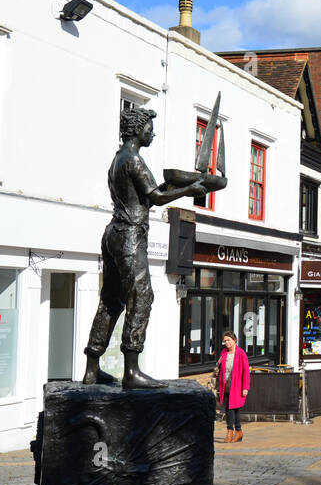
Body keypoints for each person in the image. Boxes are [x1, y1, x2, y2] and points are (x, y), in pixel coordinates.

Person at [83, 105, 226, 389]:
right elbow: (157, 199)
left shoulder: (118, 159)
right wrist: (188, 190)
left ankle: (91, 367)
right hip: (130, 234)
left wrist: (171, 184)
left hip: (113, 231)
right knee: (142, 296)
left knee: (111, 300)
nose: (153, 133)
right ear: (138, 129)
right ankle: (132, 371)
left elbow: (146, 196)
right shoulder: (135, 160)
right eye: (149, 127)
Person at [216, 330, 250, 443]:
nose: (227, 343)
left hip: (236, 386)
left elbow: (246, 371)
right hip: (225, 385)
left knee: (231, 409)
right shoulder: (224, 353)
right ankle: (239, 431)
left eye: (229, 340)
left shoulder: (241, 353)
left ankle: (230, 431)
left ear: (234, 340)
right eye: (225, 341)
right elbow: (220, 369)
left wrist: (245, 387)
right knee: (233, 409)